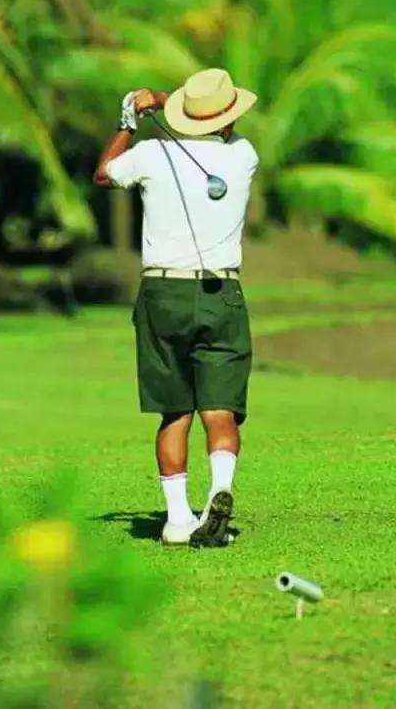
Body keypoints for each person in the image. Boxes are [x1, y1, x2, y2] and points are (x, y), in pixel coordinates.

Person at [94, 68, 258, 547]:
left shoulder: (150, 154)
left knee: (175, 413)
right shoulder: (244, 155)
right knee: (220, 411)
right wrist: (170, 102)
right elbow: (216, 124)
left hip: (163, 293)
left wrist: (130, 119)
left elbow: (104, 173)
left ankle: (177, 520)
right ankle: (220, 489)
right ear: (227, 117)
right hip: (222, 294)